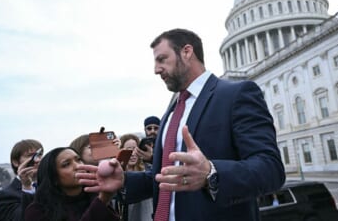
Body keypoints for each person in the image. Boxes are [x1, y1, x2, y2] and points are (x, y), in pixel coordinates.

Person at [122, 28, 286, 221]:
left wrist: (211, 173)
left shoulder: (236, 95)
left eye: (162, 59)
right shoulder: (171, 112)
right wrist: (122, 181)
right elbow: (165, 177)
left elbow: (271, 169)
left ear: (187, 52)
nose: (156, 69)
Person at [24, 147, 121, 221]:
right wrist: (103, 199)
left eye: (78, 159)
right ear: (54, 179)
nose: (78, 166)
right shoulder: (37, 211)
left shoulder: (94, 198)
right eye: (66, 164)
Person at [0, 139, 43, 221]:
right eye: (30, 156)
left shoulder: (50, 187)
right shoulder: (4, 196)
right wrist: (27, 188)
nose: (37, 160)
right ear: (16, 162)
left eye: (39, 155)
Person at [117, 134, 153, 221]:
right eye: (128, 150)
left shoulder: (148, 171)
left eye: (135, 149)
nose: (132, 154)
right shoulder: (116, 173)